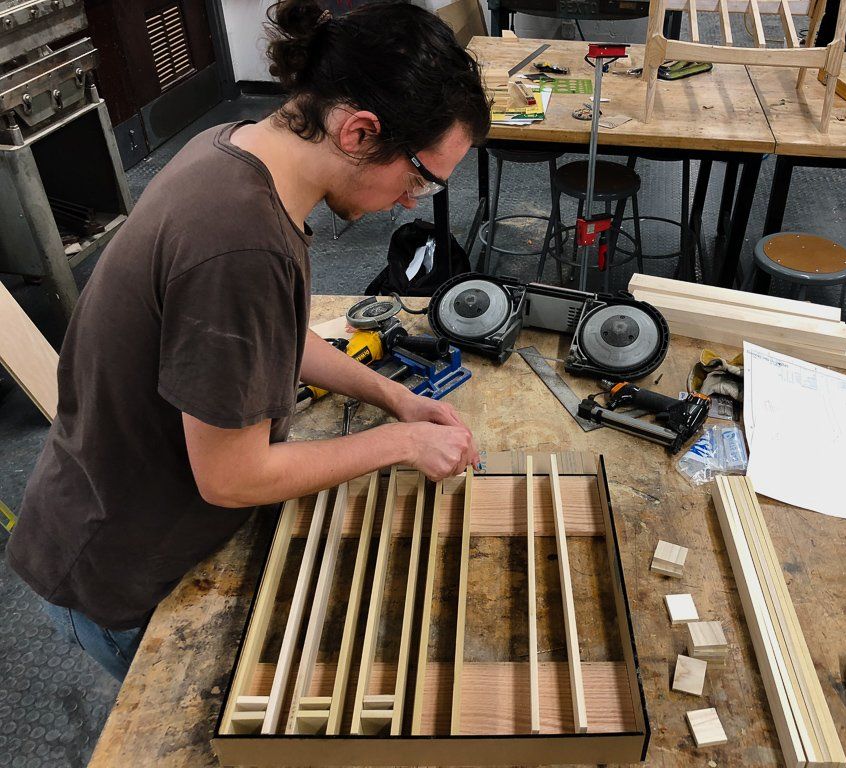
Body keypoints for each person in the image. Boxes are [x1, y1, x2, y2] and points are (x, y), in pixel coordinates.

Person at [7, 0, 490, 681]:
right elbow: (233, 476)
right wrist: (402, 444)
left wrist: (395, 399)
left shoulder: (235, 149)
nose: (414, 200)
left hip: (105, 500)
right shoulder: (241, 243)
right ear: (359, 132)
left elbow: (270, 335)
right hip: (121, 564)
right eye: (420, 177)